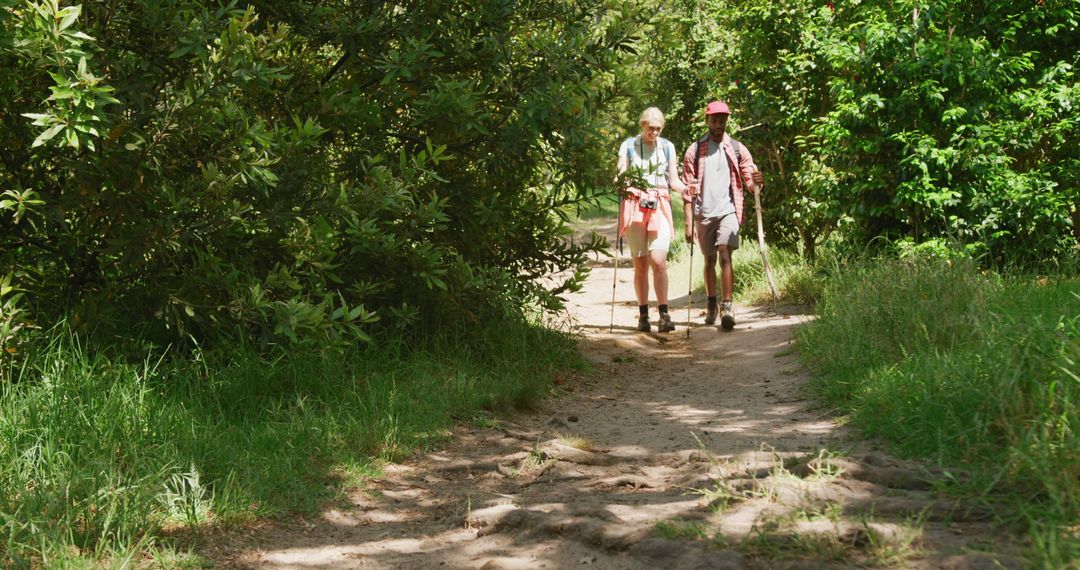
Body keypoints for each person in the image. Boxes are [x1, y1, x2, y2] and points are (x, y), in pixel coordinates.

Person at [681, 100, 764, 331]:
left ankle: (728, 307)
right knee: (709, 260)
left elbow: (749, 179)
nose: (719, 124)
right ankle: (711, 304)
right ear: (707, 120)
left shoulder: (737, 148)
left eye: (722, 119)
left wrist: (756, 182)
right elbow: (688, 189)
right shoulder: (695, 150)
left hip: (729, 210)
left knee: (725, 253)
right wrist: (689, 222)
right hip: (704, 213)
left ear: (727, 120)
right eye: (715, 119)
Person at [616, 107, 690, 333]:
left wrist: (686, 189)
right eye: (651, 128)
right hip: (635, 205)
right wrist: (621, 181)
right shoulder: (628, 145)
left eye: (658, 129)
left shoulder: (667, 147)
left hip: (659, 205)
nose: (654, 132)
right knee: (640, 263)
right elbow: (620, 174)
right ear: (642, 126)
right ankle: (644, 314)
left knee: (659, 260)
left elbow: (674, 180)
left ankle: (664, 313)